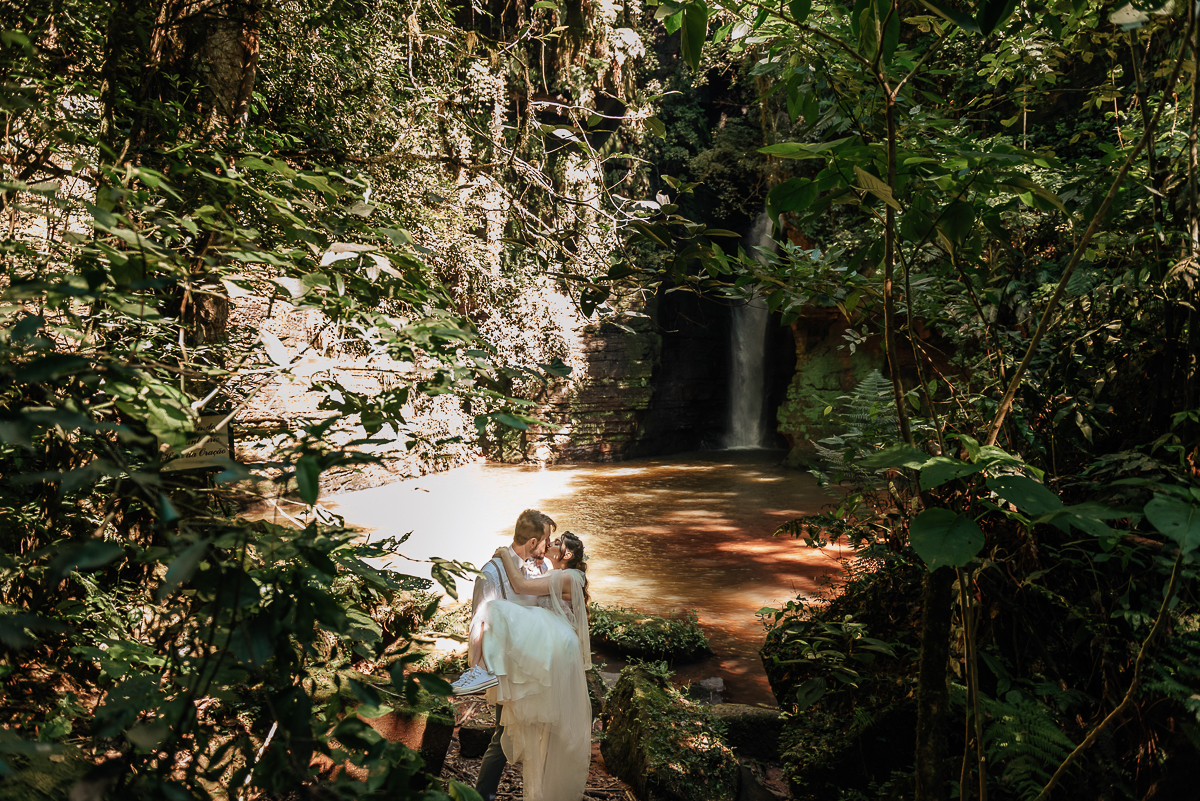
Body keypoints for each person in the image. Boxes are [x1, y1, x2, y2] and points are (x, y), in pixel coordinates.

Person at [476, 531, 592, 801]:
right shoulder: (557, 574)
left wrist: (505, 553)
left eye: (556, 543)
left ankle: (544, 793)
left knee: (540, 731)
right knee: (527, 728)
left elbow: (520, 586)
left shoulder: (567, 576)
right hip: (546, 652)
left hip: (553, 654)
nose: (550, 544)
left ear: (568, 555)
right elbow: (529, 589)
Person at [454, 509, 555, 696]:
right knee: (505, 722)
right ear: (533, 542)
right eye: (546, 540)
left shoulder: (542, 568)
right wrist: (476, 669)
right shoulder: (491, 573)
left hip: (536, 665)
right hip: (502, 669)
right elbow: (478, 624)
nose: (548, 545)